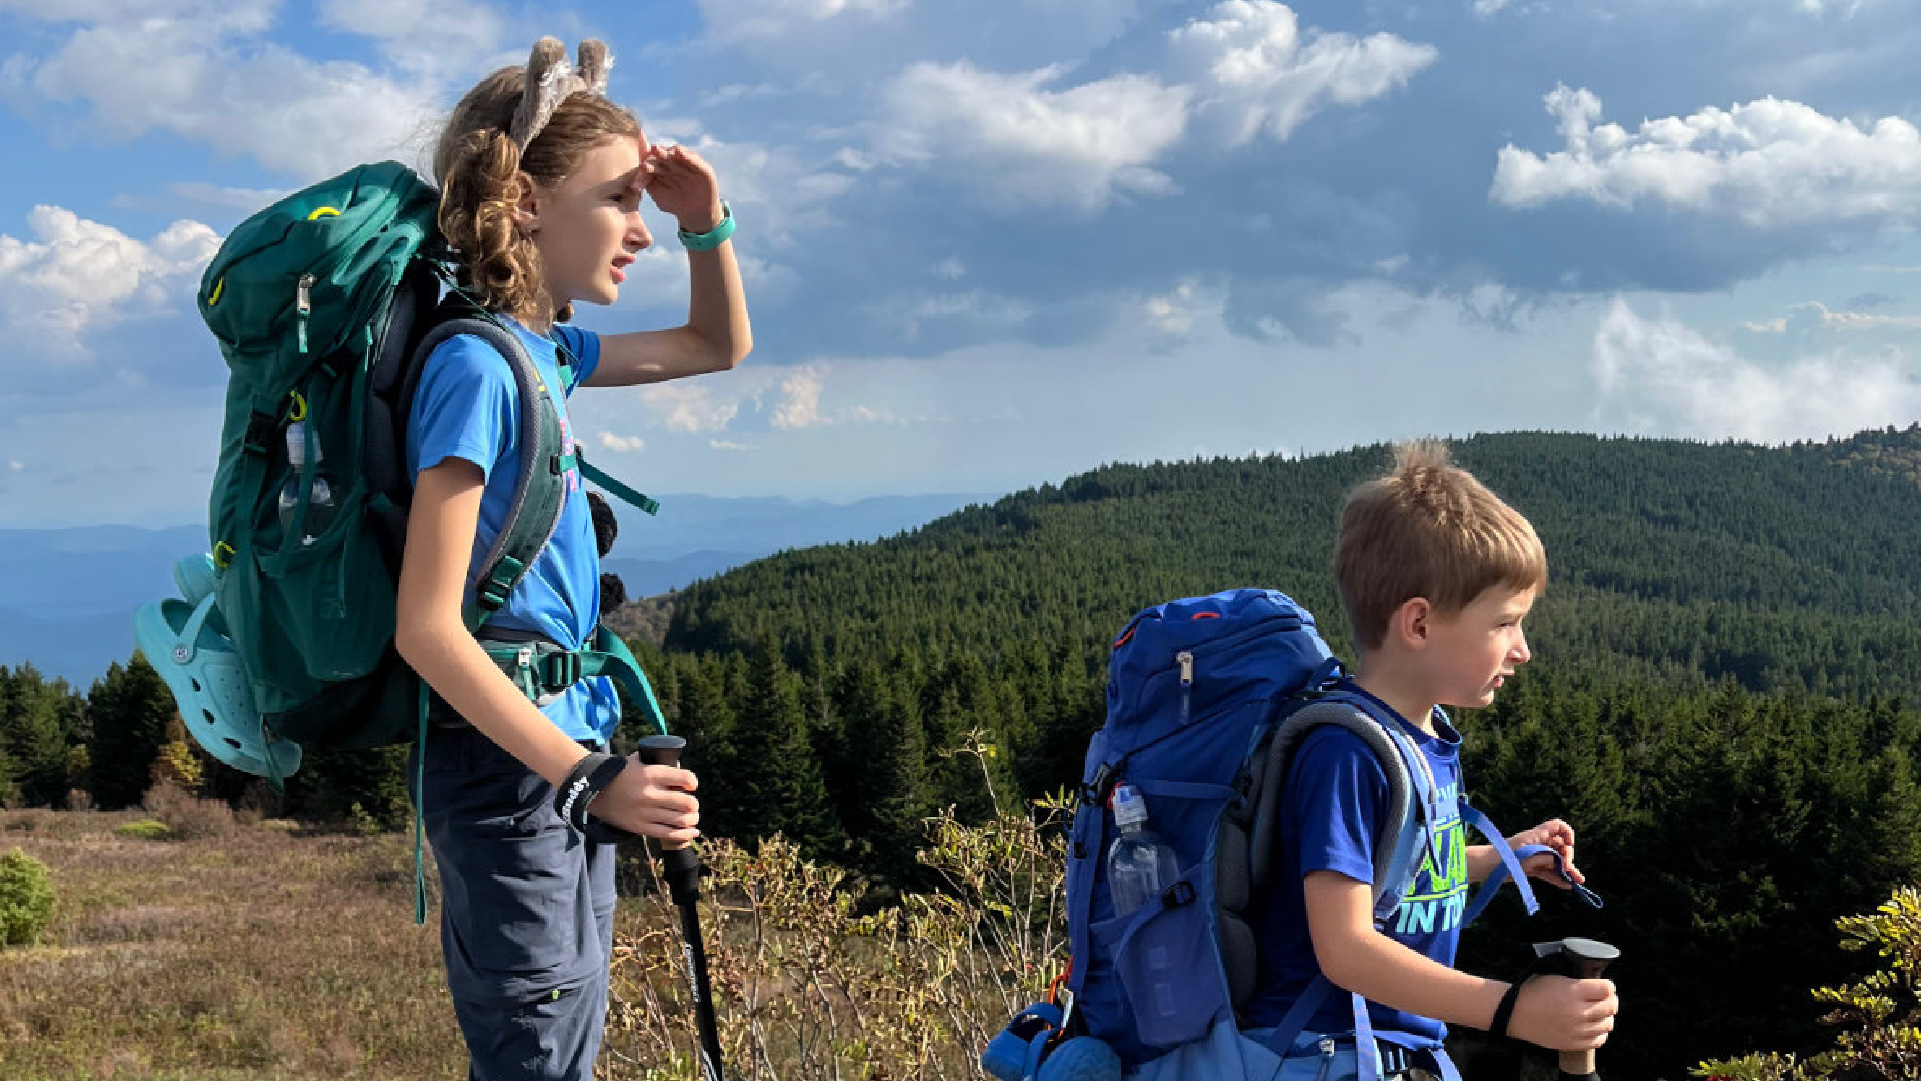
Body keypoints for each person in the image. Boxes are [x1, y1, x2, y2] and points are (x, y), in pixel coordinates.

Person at [393, 36, 751, 1081]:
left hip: (559, 756)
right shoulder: (474, 367)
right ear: (529, 204)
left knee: (563, 1052)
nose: (637, 231)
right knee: (539, 1061)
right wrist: (591, 777)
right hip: (518, 774)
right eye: (618, 201)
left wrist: (705, 222)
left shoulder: (544, 350)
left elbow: (712, 346)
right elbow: (426, 627)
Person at [1239, 440, 1618, 1079]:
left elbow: (1393, 876)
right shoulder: (1348, 752)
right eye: (1504, 623)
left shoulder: (1421, 737)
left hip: (1387, 1055)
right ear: (1418, 624)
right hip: (1322, 1057)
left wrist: (1501, 858)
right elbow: (1346, 948)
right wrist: (1512, 1011)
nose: (1522, 649)